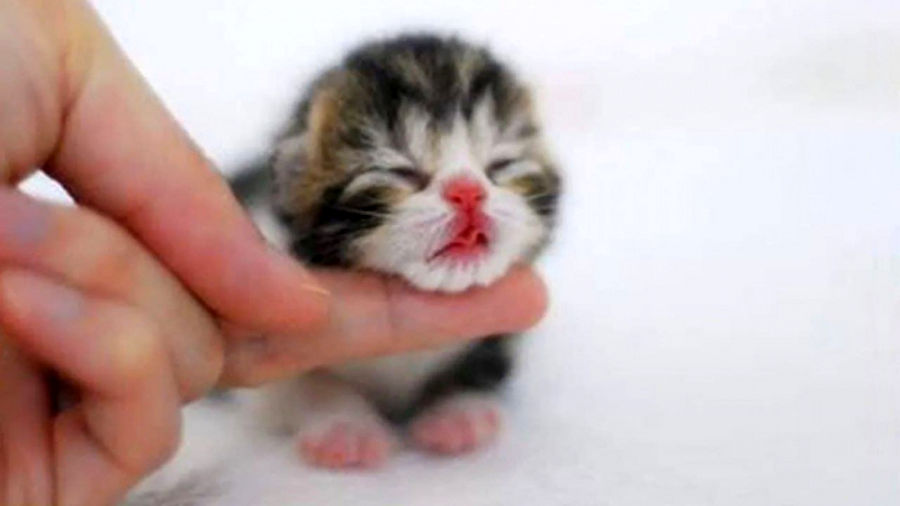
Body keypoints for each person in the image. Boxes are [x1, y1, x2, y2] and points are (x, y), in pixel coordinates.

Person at [0, 1, 548, 504]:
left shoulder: (494, 323)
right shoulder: (260, 255)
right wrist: (324, 403)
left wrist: (459, 394)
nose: (471, 194)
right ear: (299, 179)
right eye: (402, 173)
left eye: (502, 167)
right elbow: (258, 370)